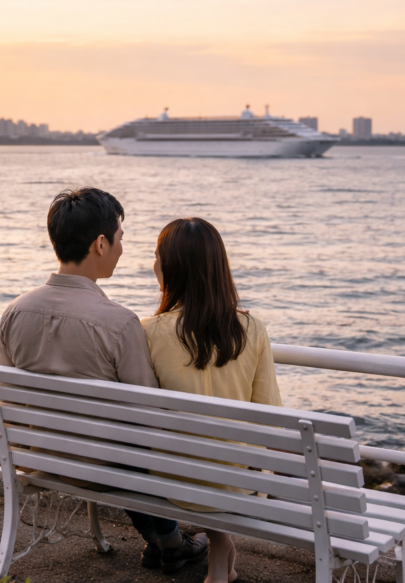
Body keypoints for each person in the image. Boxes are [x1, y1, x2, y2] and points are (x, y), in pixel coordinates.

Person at [0, 187, 208, 572]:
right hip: (103, 470)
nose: (122, 248)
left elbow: (8, 401)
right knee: (140, 444)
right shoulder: (119, 323)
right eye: (120, 239)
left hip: (39, 458)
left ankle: (168, 542)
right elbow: (149, 417)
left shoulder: (14, 312)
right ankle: (173, 541)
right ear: (100, 243)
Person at [141, 218, 282, 583]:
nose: (152, 264)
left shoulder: (147, 332)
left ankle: (221, 556)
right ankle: (221, 557)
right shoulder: (252, 329)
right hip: (235, 487)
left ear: (170, 268)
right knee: (232, 462)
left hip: (170, 484)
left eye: (156, 257)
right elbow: (271, 419)